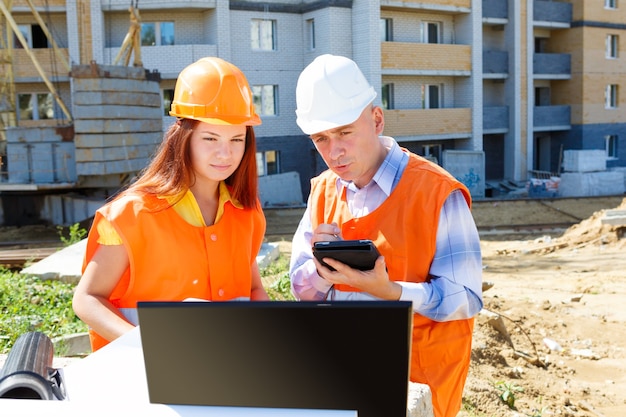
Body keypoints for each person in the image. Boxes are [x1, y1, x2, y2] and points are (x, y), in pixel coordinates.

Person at [289, 54, 483, 417]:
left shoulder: (437, 192)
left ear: (376, 119)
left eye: (345, 132)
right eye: (321, 138)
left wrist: (392, 293)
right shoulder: (323, 191)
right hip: (343, 379)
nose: (335, 151)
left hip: (418, 384)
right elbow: (299, 288)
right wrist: (317, 271)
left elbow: (466, 297)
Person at [73, 57, 269, 352]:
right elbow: (86, 299)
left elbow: (252, 289)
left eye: (237, 139)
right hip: (143, 380)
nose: (225, 153)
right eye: (211, 138)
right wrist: (146, 347)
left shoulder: (246, 212)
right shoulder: (132, 215)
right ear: (183, 137)